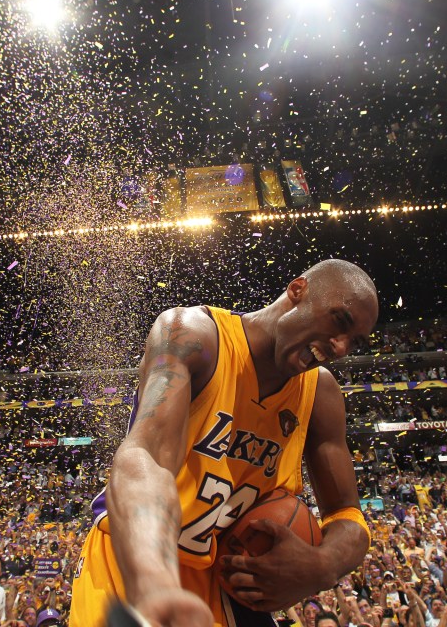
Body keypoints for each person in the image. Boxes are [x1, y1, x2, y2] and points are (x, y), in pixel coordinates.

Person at [70, 260, 379, 626]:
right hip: (136, 561)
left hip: (225, 580)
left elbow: (347, 514)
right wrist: (153, 580)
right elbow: (145, 458)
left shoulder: (321, 394)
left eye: (354, 341)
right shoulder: (193, 335)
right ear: (298, 291)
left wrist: (321, 565)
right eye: (340, 321)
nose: (342, 347)